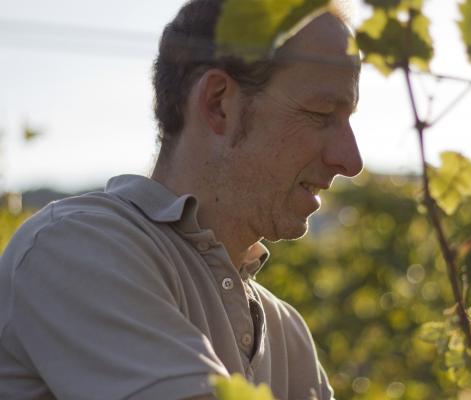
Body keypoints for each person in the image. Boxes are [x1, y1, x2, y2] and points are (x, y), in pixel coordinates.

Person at [0, 0, 362, 399]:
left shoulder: (287, 332)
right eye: (320, 114)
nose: (350, 160)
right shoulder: (75, 248)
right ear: (218, 103)